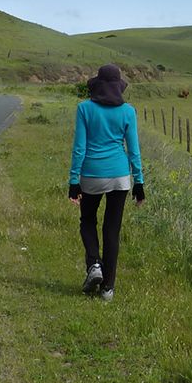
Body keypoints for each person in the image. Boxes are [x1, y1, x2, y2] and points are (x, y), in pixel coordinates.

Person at [68, 63, 145, 301]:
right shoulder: (128, 111)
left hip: (91, 174)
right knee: (112, 230)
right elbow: (133, 149)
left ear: (98, 85)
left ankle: (94, 265)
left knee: (87, 220)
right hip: (120, 176)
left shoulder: (84, 108)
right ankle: (108, 289)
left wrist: (73, 180)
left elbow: (80, 147)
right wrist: (139, 181)